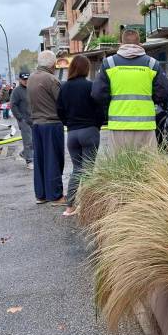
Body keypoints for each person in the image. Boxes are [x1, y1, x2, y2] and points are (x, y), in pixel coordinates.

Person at [91, 29, 168, 153]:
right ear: (140, 44)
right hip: (146, 125)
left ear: (121, 43)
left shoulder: (109, 63)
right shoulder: (151, 64)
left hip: (118, 126)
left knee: (120, 168)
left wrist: (111, 103)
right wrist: (151, 100)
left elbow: (97, 94)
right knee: (147, 168)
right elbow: (165, 92)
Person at [56, 55, 103, 217]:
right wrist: (97, 124)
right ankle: (89, 208)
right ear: (86, 68)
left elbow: (59, 110)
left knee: (77, 170)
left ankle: (70, 207)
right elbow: (100, 109)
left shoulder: (64, 87)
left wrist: (68, 123)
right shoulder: (91, 86)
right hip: (89, 131)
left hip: (72, 134)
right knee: (89, 170)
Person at [28, 50, 66, 206]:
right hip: (51, 124)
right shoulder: (51, 79)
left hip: (36, 124)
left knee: (40, 160)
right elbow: (61, 102)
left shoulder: (31, 78)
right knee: (54, 160)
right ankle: (56, 196)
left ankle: (41, 194)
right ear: (52, 64)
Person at [10, 72, 33, 169]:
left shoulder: (32, 89)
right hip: (24, 120)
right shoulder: (17, 91)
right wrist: (20, 118)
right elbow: (13, 105)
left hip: (34, 119)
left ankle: (24, 154)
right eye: (24, 80)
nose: (26, 81)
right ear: (20, 80)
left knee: (35, 141)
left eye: (27, 79)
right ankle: (29, 161)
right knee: (28, 141)